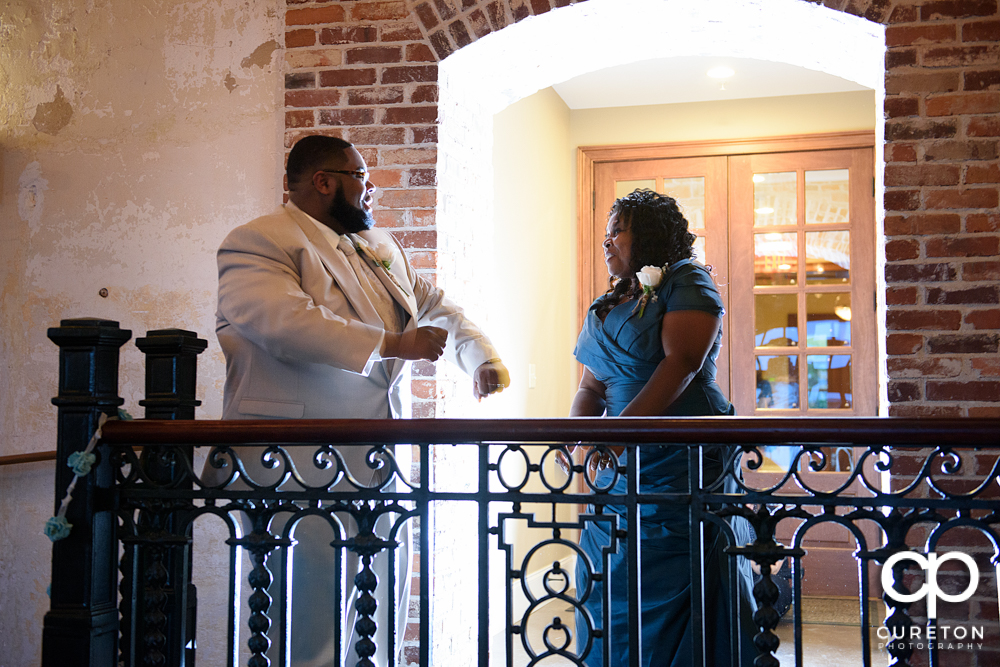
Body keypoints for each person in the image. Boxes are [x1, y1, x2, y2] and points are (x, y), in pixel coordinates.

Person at [205, 134, 509, 666]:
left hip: (380, 457)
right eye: (362, 179)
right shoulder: (258, 241)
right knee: (303, 610)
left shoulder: (379, 246)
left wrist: (479, 356)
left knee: (380, 602)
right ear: (324, 182)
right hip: (293, 463)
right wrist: (391, 345)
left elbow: (432, 305)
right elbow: (285, 323)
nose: (370, 191)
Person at [565, 189, 756, 667]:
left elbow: (683, 363)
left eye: (618, 230)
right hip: (618, 465)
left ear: (648, 235)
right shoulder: (611, 297)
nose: (607, 241)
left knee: (686, 574)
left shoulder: (686, 280)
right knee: (611, 579)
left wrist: (617, 436)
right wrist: (580, 440)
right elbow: (591, 387)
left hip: (679, 455)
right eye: (606, 232)